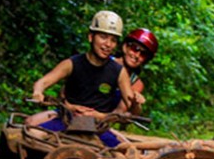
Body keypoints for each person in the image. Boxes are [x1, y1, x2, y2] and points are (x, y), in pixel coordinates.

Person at [28, 10, 136, 147]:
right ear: (91, 37)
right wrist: (38, 92)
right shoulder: (72, 63)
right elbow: (43, 82)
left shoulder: (119, 72)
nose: (108, 44)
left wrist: (136, 103)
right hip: (67, 120)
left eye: (113, 40)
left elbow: (131, 105)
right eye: (103, 37)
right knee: (32, 134)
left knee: (127, 155)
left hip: (98, 127)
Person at [113, 28, 159, 116]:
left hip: (101, 121)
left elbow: (119, 112)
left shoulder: (136, 83)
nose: (137, 55)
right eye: (135, 48)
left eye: (143, 54)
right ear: (125, 47)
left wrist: (135, 103)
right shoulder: (105, 62)